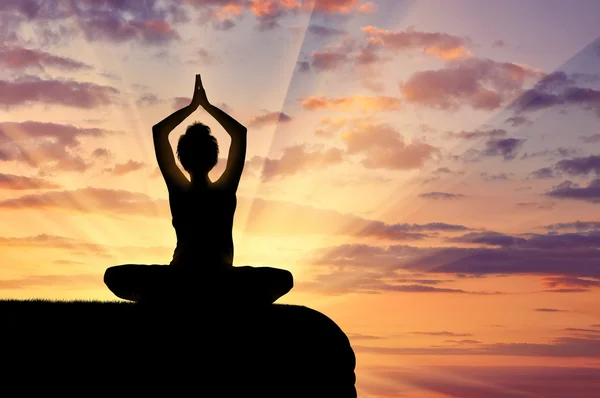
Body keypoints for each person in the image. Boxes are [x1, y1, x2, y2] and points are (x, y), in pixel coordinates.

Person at [104, 74, 293, 305]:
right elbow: (239, 134)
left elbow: (159, 132)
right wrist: (206, 106)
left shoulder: (180, 189)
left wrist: (193, 107)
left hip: (185, 278)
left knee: (114, 275)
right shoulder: (223, 188)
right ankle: (231, 300)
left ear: (183, 159)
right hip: (212, 278)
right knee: (283, 279)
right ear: (213, 157)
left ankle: (165, 298)